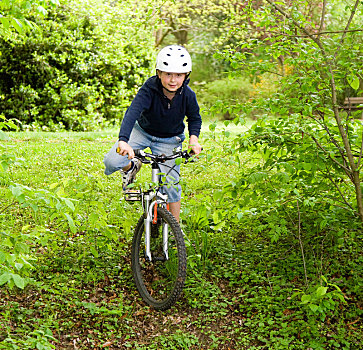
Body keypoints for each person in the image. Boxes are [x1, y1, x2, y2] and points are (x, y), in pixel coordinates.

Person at [103, 45, 202, 222]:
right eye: (168, 74)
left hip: (170, 140)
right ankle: (131, 167)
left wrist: (193, 140)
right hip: (142, 132)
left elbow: (194, 118)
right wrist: (123, 141)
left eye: (178, 75)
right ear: (158, 73)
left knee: (171, 186)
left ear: (186, 75)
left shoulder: (188, 95)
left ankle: (175, 228)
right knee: (112, 161)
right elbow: (132, 112)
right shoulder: (149, 89)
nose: (173, 80)